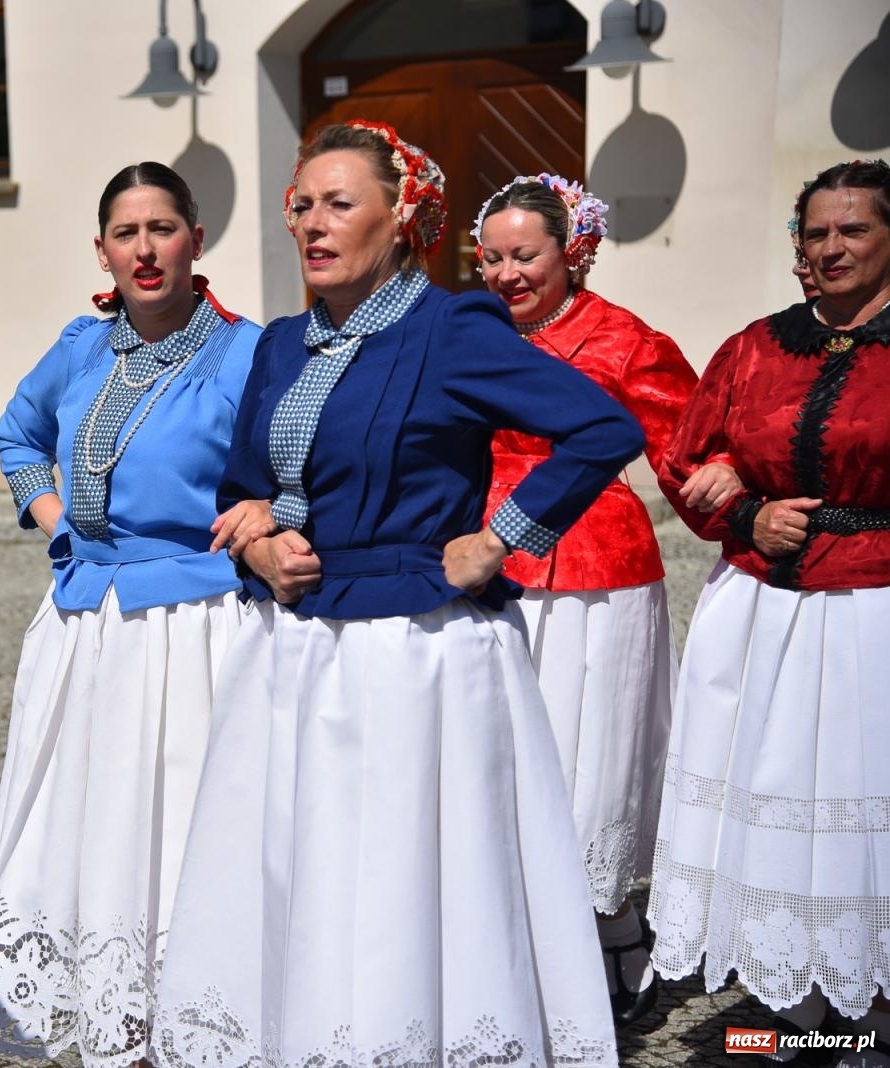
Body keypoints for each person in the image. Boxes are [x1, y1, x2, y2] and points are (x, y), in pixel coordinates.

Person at [148, 121, 644, 1068]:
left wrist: (503, 540)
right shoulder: (283, 342)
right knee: (305, 872)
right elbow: (241, 489)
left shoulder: (452, 330)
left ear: (404, 216)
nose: (313, 225)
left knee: (401, 881)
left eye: (340, 204)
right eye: (301, 206)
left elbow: (600, 427)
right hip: (295, 657)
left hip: (417, 656)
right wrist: (257, 549)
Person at [0, 162, 261, 1068]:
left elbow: (298, 467)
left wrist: (266, 517)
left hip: (194, 629)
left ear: (196, 240)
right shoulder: (81, 346)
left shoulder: (249, 353)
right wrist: (52, 523)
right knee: (89, 816)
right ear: (102, 248)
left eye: (163, 228)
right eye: (126, 233)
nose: (145, 249)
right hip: (82, 622)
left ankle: (198, 1015)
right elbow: (15, 433)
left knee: (178, 821)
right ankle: (108, 1011)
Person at [650, 158, 890, 1046]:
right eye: (816, 232)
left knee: (864, 798)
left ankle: (874, 999)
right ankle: (798, 998)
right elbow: (682, 457)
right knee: (778, 788)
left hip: (874, 608)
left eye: (853, 229)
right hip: (762, 606)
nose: (831, 247)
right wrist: (746, 509)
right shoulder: (756, 346)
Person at [472, 173, 707, 1024]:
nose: (505, 274)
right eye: (491, 258)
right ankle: (512, 935)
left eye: (524, 255)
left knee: (592, 758)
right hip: (481, 561)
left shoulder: (625, 338)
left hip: (596, 571)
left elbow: (688, 444)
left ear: (575, 251)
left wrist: (738, 514)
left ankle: (615, 930)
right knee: (496, 755)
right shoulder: (469, 331)